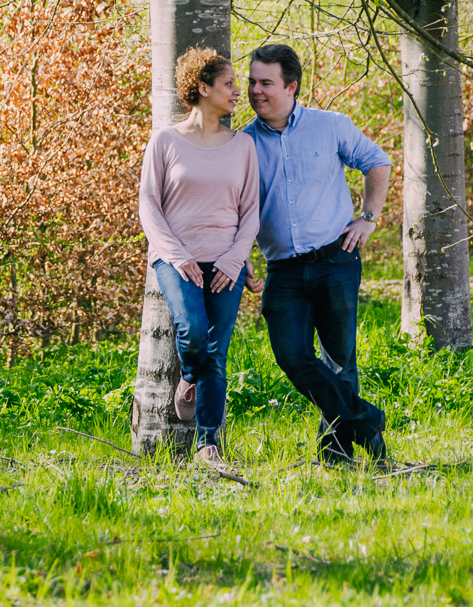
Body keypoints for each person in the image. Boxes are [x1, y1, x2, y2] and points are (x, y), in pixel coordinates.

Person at [243, 44, 391, 465]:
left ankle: (338, 453)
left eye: (265, 83)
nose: (255, 90)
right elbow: (238, 206)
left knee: (340, 359)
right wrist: (241, 254)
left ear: (291, 87)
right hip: (283, 271)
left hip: (335, 259)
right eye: (252, 82)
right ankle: (367, 420)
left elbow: (377, 162)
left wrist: (368, 218)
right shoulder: (243, 144)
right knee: (292, 356)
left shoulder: (331, 126)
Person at [138, 48, 260, 468]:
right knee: (191, 331)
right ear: (203, 88)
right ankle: (189, 376)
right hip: (175, 260)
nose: (236, 92)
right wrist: (175, 254)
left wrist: (234, 260)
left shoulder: (242, 145)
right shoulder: (165, 140)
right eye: (228, 84)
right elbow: (148, 205)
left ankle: (208, 444)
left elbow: (251, 213)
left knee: (217, 350)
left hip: (226, 261)